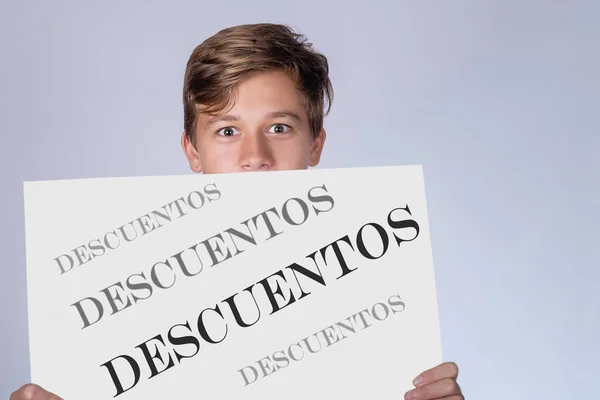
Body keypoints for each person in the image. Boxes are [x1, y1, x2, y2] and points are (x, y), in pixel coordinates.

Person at [11, 23, 464, 400]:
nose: (255, 155)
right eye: (228, 130)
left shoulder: (382, 300)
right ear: (193, 151)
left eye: (280, 127)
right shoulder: (116, 292)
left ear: (316, 143)